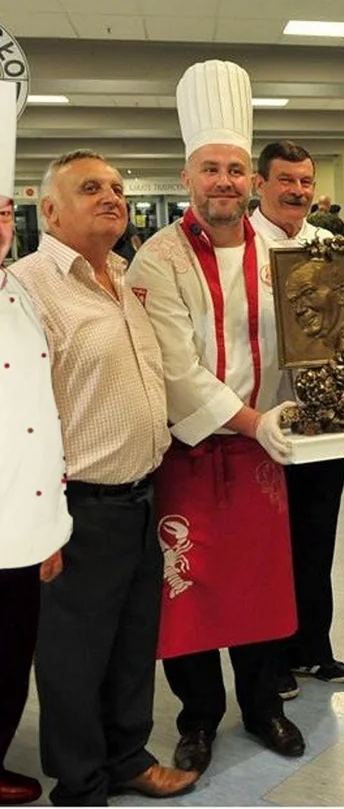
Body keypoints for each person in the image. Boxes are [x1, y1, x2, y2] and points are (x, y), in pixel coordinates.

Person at [127, 60, 304, 775]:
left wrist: (329, 398)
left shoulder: (285, 255)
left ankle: (263, 707)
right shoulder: (156, 260)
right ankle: (198, 719)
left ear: (251, 180)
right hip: (190, 454)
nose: (223, 181)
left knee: (261, 585)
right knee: (191, 592)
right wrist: (255, 421)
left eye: (234, 169)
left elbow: (311, 342)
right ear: (187, 177)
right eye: (210, 169)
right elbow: (176, 370)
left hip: (263, 452)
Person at [10, 150, 196, 805]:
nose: (112, 196)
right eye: (91, 188)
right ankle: (81, 781)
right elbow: (16, 415)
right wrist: (38, 521)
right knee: (74, 653)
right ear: (49, 211)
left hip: (141, 495)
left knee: (132, 640)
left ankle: (127, 757)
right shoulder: (26, 289)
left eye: (116, 187)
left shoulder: (123, 274)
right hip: (77, 507)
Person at [251, 139, 344, 698]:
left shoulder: (327, 246)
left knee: (318, 539)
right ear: (260, 184)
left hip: (323, 421)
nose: (297, 191)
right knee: (269, 547)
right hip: (262, 423)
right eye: (285, 180)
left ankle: (312, 647)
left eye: (305, 182)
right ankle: (270, 658)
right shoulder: (240, 247)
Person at [0, 96, 75, 806]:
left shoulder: (17, 293)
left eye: (1, 213)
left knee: (11, 653)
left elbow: (38, 415)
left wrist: (48, 524)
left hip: (24, 522)